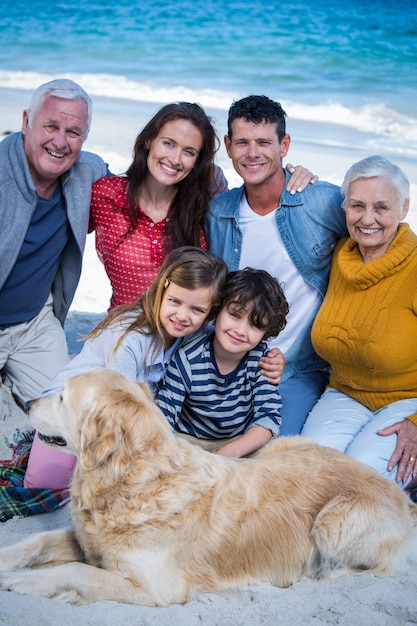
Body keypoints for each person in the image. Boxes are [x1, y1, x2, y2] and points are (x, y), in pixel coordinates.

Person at [23, 246, 229, 489]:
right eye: (175, 301)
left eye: (197, 310)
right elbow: (117, 411)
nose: (183, 315)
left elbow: (231, 342)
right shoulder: (131, 336)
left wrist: (270, 360)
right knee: (46, 486)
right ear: (161, 291)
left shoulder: (196, 334)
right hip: (70, 410)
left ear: (209, 313)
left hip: (108, 425)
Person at [206, 95, 348, 435]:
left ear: (284, 145)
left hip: (299, 367)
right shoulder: (218, 212)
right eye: (242, 142)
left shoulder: (321, 201)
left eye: (263, 142)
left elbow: (377, 230)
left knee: (273, 453)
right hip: (232, 358)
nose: (252, 153)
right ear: (227, 146)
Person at [89, 101, 317, 309]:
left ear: (198, 161)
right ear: (149, 140)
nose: (175, 159)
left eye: (189, 151)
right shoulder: (105, 194)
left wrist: (296, 177)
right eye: (168, 143)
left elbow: (256, 210)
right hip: (123, 330)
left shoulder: (208, 201)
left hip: (185, 342)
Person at [301, 155, 417, 489]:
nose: (368, 219)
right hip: (345, 393)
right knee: (308, 475)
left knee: (359, 485)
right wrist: (297, 173)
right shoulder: (338, 255)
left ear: (404, 208)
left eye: (382, 207)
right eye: (357, 206)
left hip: (408, 401)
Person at [0, 79, 108, 418]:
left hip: (35, 322)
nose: (60, 142)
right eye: (51, 126)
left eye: (74, 131)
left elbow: (142, 191)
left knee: (64, 420)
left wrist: (209, 180)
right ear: (25, 122)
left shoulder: (87, 171)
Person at [156, 268, 289, 458]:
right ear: (218, 310)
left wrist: (231, 452)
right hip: (188, 441)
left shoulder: (262, 361)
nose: (241, 330)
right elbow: (165, 416)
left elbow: (268, 419)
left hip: (238, 442)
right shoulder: (187, 358)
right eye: (234, 315)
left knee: (276, 458)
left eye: (255, 325)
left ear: (266, 332)